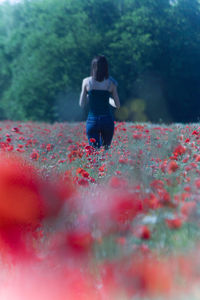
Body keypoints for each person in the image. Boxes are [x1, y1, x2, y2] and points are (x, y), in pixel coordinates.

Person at [79, 55, 120, 149]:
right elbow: (117, 105)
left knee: (94, 152)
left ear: (93, 67)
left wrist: (90, 96)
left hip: (92, 120)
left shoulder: (86, 82)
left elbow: (82, 104)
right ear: (106, 67)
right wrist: (109, 100)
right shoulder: (111, 83)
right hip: (107, 120)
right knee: (105, 151)